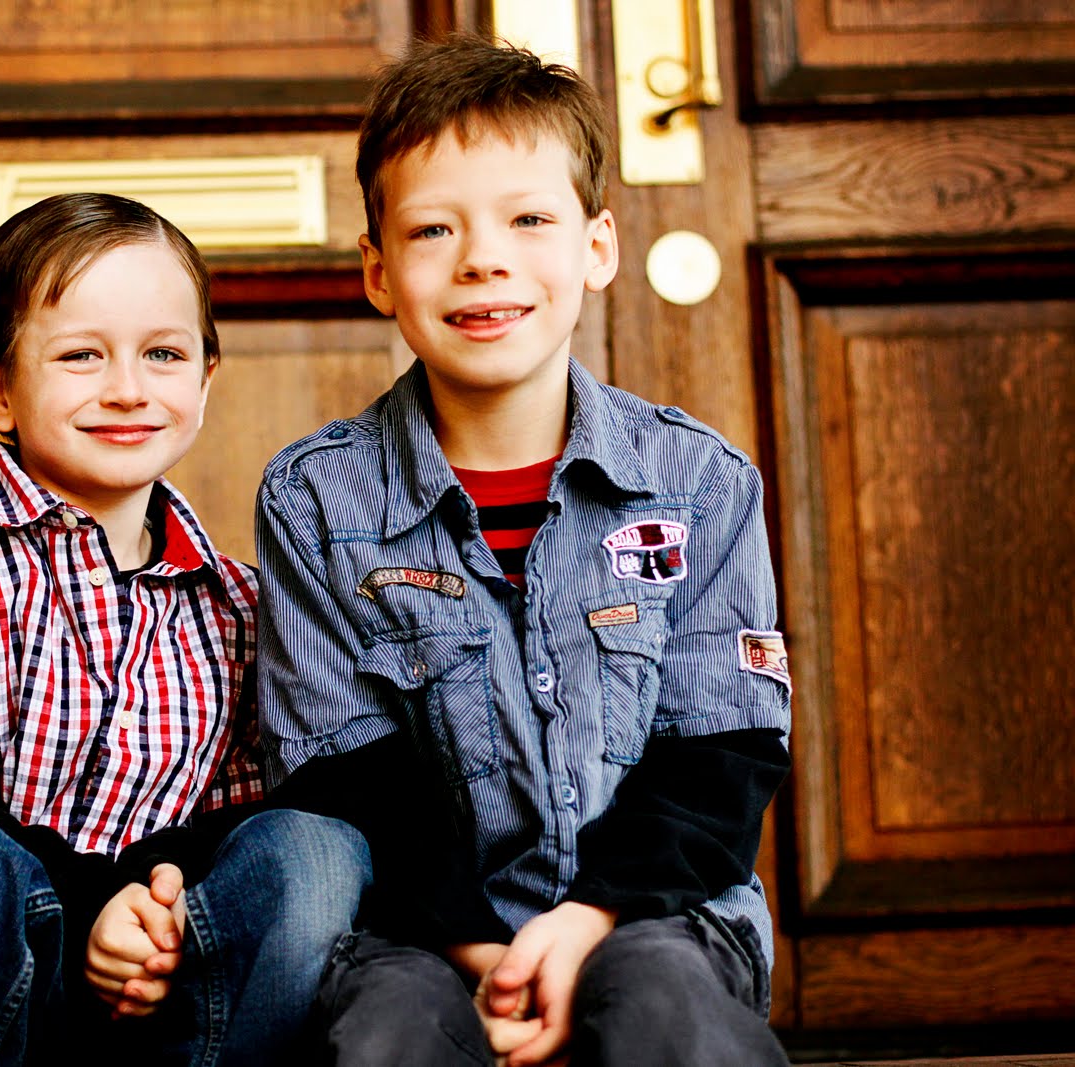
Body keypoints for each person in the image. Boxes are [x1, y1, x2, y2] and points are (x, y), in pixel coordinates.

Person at [256, 35, 793, 1067]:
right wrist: (486, 955)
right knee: (385, 1032)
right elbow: (343, 777)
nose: (481, 259)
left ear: (598, 247)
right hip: (419, 932)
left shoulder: (700, 483)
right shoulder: (314, 499)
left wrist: (585, 921)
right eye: (432, 229)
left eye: (529, 220)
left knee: (662, 1002)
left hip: (658, 912)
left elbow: (722, 754)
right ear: (376, 271)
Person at [0, 191, 369, 1066]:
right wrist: (89, 911)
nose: (127, 388)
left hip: (164, 976)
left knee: (312, 846)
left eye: (163, 354)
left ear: (205, 381)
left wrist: (152, 905)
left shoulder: (236, 599)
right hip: (3, 972)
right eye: (81, 355)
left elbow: (233, 812)